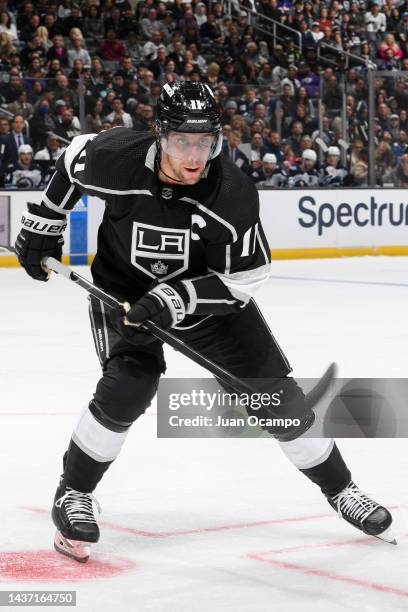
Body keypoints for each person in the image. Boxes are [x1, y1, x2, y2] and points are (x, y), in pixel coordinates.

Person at [14, 81, 394, 563]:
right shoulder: (115, 157)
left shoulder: (231, 194)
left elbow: (246, 278)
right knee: (129, 384)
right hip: (124, 289)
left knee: (277, 399)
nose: (194, 156)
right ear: (160, 136)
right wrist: (47, 221)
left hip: (205, 301)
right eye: (181, 142)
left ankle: (342, 490)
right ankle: (73, 493)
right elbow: (72, 159)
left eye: (205, 142)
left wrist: (173, 297)